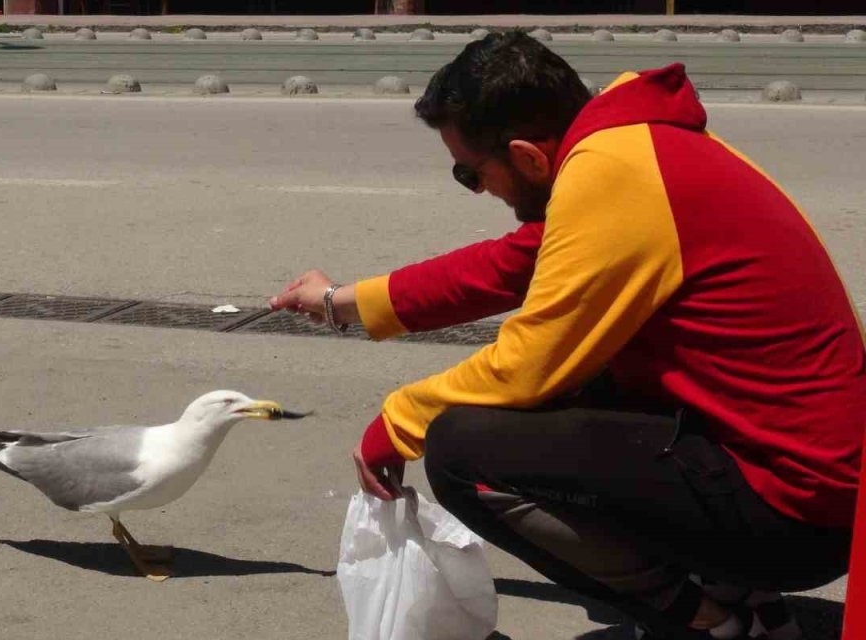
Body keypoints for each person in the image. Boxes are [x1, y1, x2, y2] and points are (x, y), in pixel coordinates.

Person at [269, 32, 863, 640]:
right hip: (799, 473)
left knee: (462, 449)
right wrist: (340, 302)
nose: (480, 191)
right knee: (580, 386)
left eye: (469, 174)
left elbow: (529, 363)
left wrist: (398, 421)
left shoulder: (611, 172)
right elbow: (505, 267)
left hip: (794, 507)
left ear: (527, 156)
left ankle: (713, 623)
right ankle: (739, 595)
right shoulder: (636, 146)